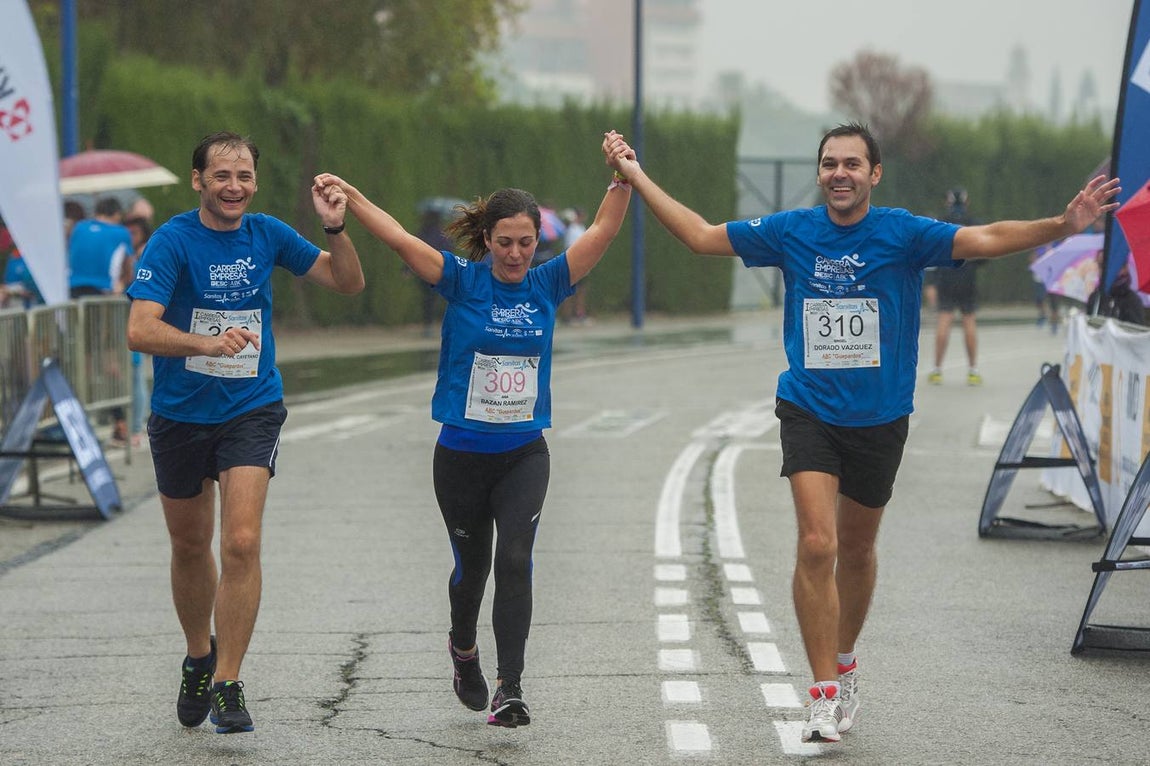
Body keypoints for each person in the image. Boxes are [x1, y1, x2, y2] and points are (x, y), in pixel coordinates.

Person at [603, 122, 1119, 745]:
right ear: (819, 173)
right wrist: (636, 175)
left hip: (880, 418)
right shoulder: (791, 231)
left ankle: (844, 661)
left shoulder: (903, 233)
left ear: (874, 174)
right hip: (809, 409)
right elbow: (701, 236)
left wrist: (1062, 225)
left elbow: (984, 238)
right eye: (829, 164)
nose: (839, 174)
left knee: (856, 549)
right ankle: (822, 692)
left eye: (852, 164)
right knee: (816, 543)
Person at [312, 130, 632, 729]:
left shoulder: (548, 283)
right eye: (504, 242)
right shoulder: (460, 279)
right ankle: (463, 649)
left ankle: (511, 687)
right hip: (460, 455)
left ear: (538, 242)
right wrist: (351, 198)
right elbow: (400, 238)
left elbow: (603, 231)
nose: (515, 254)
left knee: (515, 558)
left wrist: (622, 176)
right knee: (471, 571)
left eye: (525, 243)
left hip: (523, 454)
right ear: (486, 240)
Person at [126, 131, 365, 734]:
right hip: (181, 414)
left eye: (244, 177)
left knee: (241, 541)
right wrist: (204, 343)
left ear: (254, 182)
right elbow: (139, 329)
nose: (234, 187)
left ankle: (228, 681)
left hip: (251, 408)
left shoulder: (268, 234)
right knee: (190, 545)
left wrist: (336, 227)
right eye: (222, 176)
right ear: (198, 181)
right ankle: (199, 656)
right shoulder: (173, 240)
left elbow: (346, 282)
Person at [928, 188, 984, 386]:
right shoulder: (974, 223)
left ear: (948, 202)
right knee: (969, 320)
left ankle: (937, 369)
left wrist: (931, 282)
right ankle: (973, 370)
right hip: (967, 277)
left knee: (944, 319)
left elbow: (931, 253)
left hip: (946, 276)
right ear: (967, 203)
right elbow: (984, 253)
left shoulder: (941, 223)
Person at [123, 215, 154, 446]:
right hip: (129, 319)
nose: (130, 237)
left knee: (136, 373)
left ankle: (136, 426)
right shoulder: (131, 254)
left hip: (141, 319)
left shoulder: (146, 254)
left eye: (134, 233)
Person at [69, 196, 132, 298]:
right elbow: (128, 268)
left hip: (73, 287)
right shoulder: (121, 232)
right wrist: (122, 283)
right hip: (104, 289)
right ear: (117, 215)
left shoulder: (78, 227)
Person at [414, 208, 455, 336]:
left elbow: (413, 250)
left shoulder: (422, 232)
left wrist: (406, 269)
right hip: (438, 270)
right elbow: (449, 251)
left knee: (427, 299)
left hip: (422, 269)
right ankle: (431, 324)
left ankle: (428, 324)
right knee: (433, 299)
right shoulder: (442, 234)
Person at [1086, 261, 1146, 325]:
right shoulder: (1095, 297)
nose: (1101, 270)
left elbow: (1134, 328)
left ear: (1124, 269)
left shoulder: (1132, 300)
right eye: (1100, 265)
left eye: (1105, 265)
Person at [559, 207, 591, 325]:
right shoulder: (570, 229)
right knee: (569, 291)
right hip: (571, 264)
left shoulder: (582, 228)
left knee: (581, 291)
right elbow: (570, 247)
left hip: (582, 264)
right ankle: (567, 317)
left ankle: (580, 315)